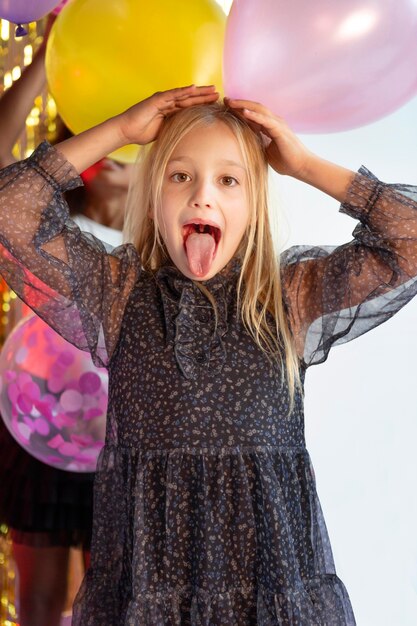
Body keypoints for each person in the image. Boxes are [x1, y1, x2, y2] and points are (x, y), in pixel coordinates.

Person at [0, 84, 416, 625]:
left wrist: (304, 164)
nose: (202, 197)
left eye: (228, 180)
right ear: (154, 196)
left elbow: (409, 236)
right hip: (150, 596)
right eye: (180, 176)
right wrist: (119, 132)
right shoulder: (120, 293)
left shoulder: (287, 297)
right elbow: (11, 210)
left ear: (255, 200)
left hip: (270, 596)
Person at [0, 15, 132, 626]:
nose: (117, 158)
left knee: (108, 603)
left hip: (125, 436)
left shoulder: (158, 237)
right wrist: (42, 63)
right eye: (103, 136)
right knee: (40, 601)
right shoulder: (42, 219)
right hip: (37, 422)